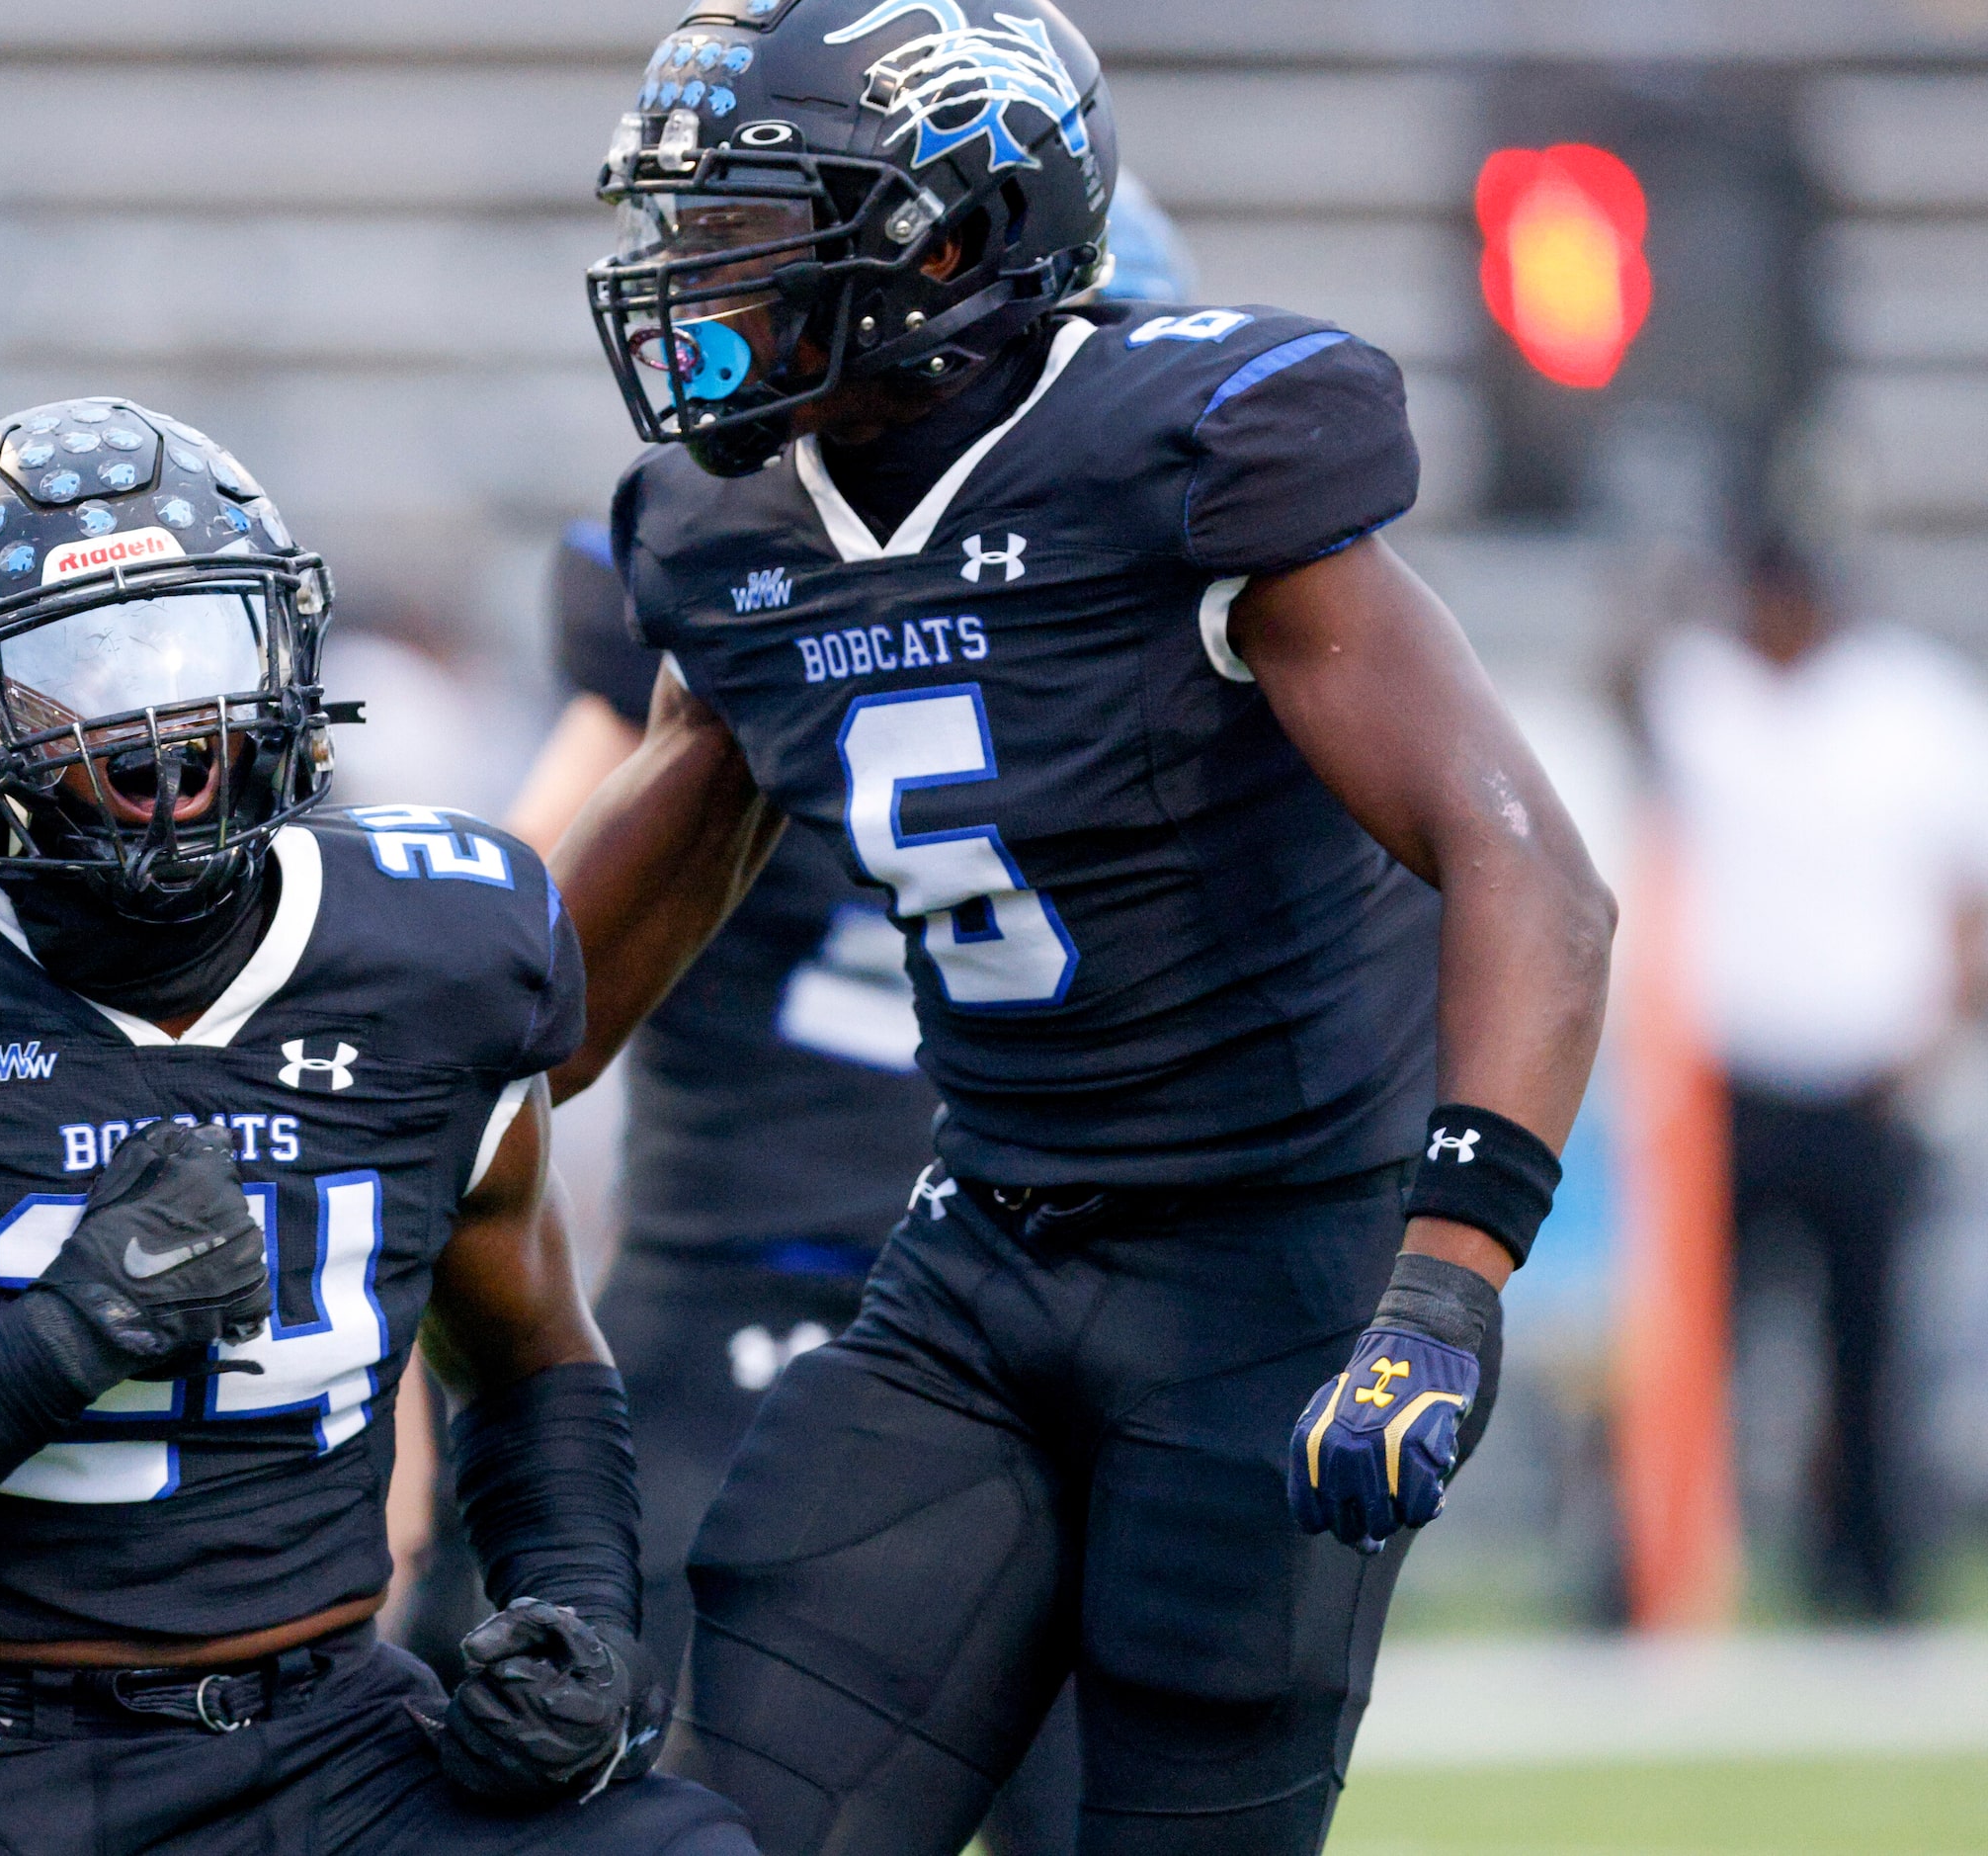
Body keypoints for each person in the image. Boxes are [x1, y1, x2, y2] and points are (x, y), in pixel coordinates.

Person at [562, 6, 1616, 1852]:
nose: (695, 277)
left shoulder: (1190, 446)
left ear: (951, 234)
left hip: (1273, 1262)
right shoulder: (724, 530)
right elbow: (560, 986)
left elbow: (1531, 865)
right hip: (984, 1247)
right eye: (689, 225)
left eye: (748, 222)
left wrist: (1442, 1286)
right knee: (719, 1819)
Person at [0, 399, 752, 1856]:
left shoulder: (438, 946)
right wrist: (58, 1342)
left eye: (193, 649)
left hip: (339, 1724)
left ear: (285, 650)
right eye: (79, 672)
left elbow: (535, 1356)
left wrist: (580, 1616)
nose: (160, 727)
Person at [1640, 533, 1988, 1621]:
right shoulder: (1694, 693)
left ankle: (1873, 1575)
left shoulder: (1912, 705)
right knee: (1690, 1343)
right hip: (1723, 1080)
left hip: (1866, 1076)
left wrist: (1936, 1036)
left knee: (1868, 1344)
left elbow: (1966, 891)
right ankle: (1666, 1569)